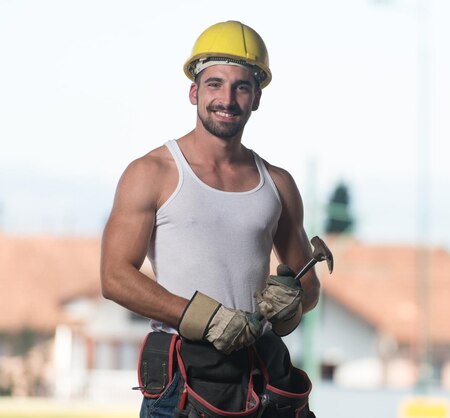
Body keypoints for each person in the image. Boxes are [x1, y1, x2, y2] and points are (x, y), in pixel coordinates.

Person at [100, 20, 320, 418]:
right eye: (215, 83)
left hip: (261, 377)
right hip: (183, 381)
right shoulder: (152, 173)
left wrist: (294, 303)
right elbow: (115, 277)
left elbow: (309, 287)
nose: (227, 98)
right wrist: (203, 317)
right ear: (193, 91)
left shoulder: (278, 184)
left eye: (241, 86)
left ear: (256, 98)